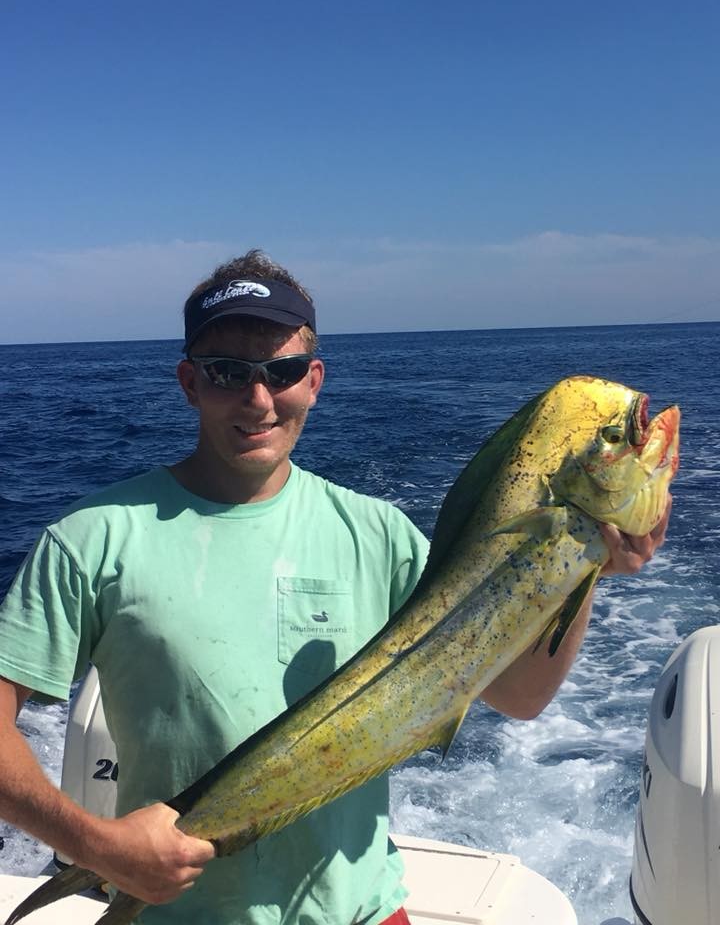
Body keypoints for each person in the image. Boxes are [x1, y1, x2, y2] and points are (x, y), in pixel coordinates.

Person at [0, 250, 671, 925]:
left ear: (313, 380)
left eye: (282, 371)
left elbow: (518, 696)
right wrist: (94, 845)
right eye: (229, 371)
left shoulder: (377, 534)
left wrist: (584, 572)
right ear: (189, 382)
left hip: (365, 913)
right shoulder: (93, 537)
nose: (258, 398)